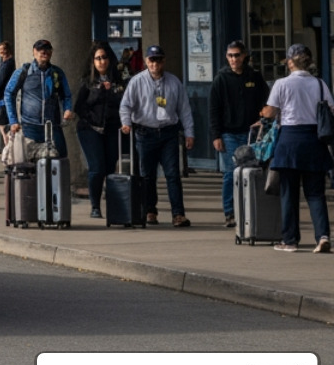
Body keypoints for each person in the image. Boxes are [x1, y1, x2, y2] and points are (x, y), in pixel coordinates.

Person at [262, 45, 333, 253]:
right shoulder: (319, 84)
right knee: (316, 193)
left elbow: (270, 112)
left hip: (289, 141)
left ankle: (290, 240)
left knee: (289, 194)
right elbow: (331, 109)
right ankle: (323, 236)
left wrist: (263, 112)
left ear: (290, 62)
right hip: (314, 141)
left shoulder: (281, 84)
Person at [118, 45, 193, 227]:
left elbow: (184, 109)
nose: (155, 64)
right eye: (152, 60)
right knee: (147, 175)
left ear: (163, 61)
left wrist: (189, 133)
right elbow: (125, 105)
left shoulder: (174, 82)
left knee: (172, 174)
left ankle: (178, 214)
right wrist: (126, 122)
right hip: (145, 133)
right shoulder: (136, 81)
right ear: (146, 61)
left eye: (158, 60)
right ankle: (149, 210)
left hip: (168, 132)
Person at [208, 40, 268, 228]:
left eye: (237, 55)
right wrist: (216, 135)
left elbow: (266, 101)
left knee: (254, 172)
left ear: (244, 56)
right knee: (231, 172)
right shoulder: (221, 79)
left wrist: (263, 119)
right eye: (230, 56)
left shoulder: (254, 76)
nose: (234, 59)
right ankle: (230, 212)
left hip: (252, 133)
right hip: (229, 133)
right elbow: (214, 109)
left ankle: (252, 210)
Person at [72, 42, 124, 219]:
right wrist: (101, 92)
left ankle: (113, 204)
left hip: (112, 128)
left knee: (110, 168)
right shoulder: (87, 82)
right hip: (90, 128)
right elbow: (79, 107)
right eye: (98, 58)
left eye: (104, 57)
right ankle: (95, 206)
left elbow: (124, 104)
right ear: (93, 62)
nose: (102, 61)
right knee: (97, 167)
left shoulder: (118, 81)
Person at [3, 39, 74, 159]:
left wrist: (67, 109)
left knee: (60, 158)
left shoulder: (57, 73)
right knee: (29, 163)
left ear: (51, 52)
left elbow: (66, 95)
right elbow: (9, 93)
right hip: (29, 127)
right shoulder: (24, 72)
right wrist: (13, 121)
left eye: (47, 49)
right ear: (34, 52)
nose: (44, 52)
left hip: (52, 125)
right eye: (40, 49)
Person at [0, 40, 17, 138]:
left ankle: (8, 145)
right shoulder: (4, 63)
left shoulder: (7, 64)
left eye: (4, 49)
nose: (2, 51)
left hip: (4, 97)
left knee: (3, 125)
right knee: (4, 124)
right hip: (4, 97)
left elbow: (0, 82)